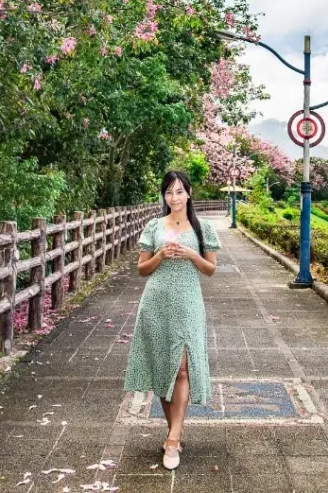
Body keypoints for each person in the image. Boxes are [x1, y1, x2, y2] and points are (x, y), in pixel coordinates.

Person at [122, 170, 221, 470]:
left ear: (189, 193)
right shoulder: (154, 226)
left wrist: (191, 253)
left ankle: (173, 439)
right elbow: (142, 270)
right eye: (168, 192)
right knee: (162, 369)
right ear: (164, 196)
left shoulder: (202, 227)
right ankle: (174, 433)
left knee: (181, 369)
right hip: (156, 303)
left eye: (179, 191)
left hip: (189, 302)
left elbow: (210, 269)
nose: (174, 197)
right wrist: (161, 255)